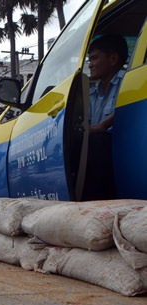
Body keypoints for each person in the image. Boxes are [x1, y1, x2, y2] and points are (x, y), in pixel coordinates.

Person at [83, 34, 128, 200]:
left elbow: (126, 112)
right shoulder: (92, 92)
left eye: (94, 59)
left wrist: (102, 126)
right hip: (99, 151)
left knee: (98, 141)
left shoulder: (128, 81)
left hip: (120, 147)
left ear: (113, 59)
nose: (90, 65)